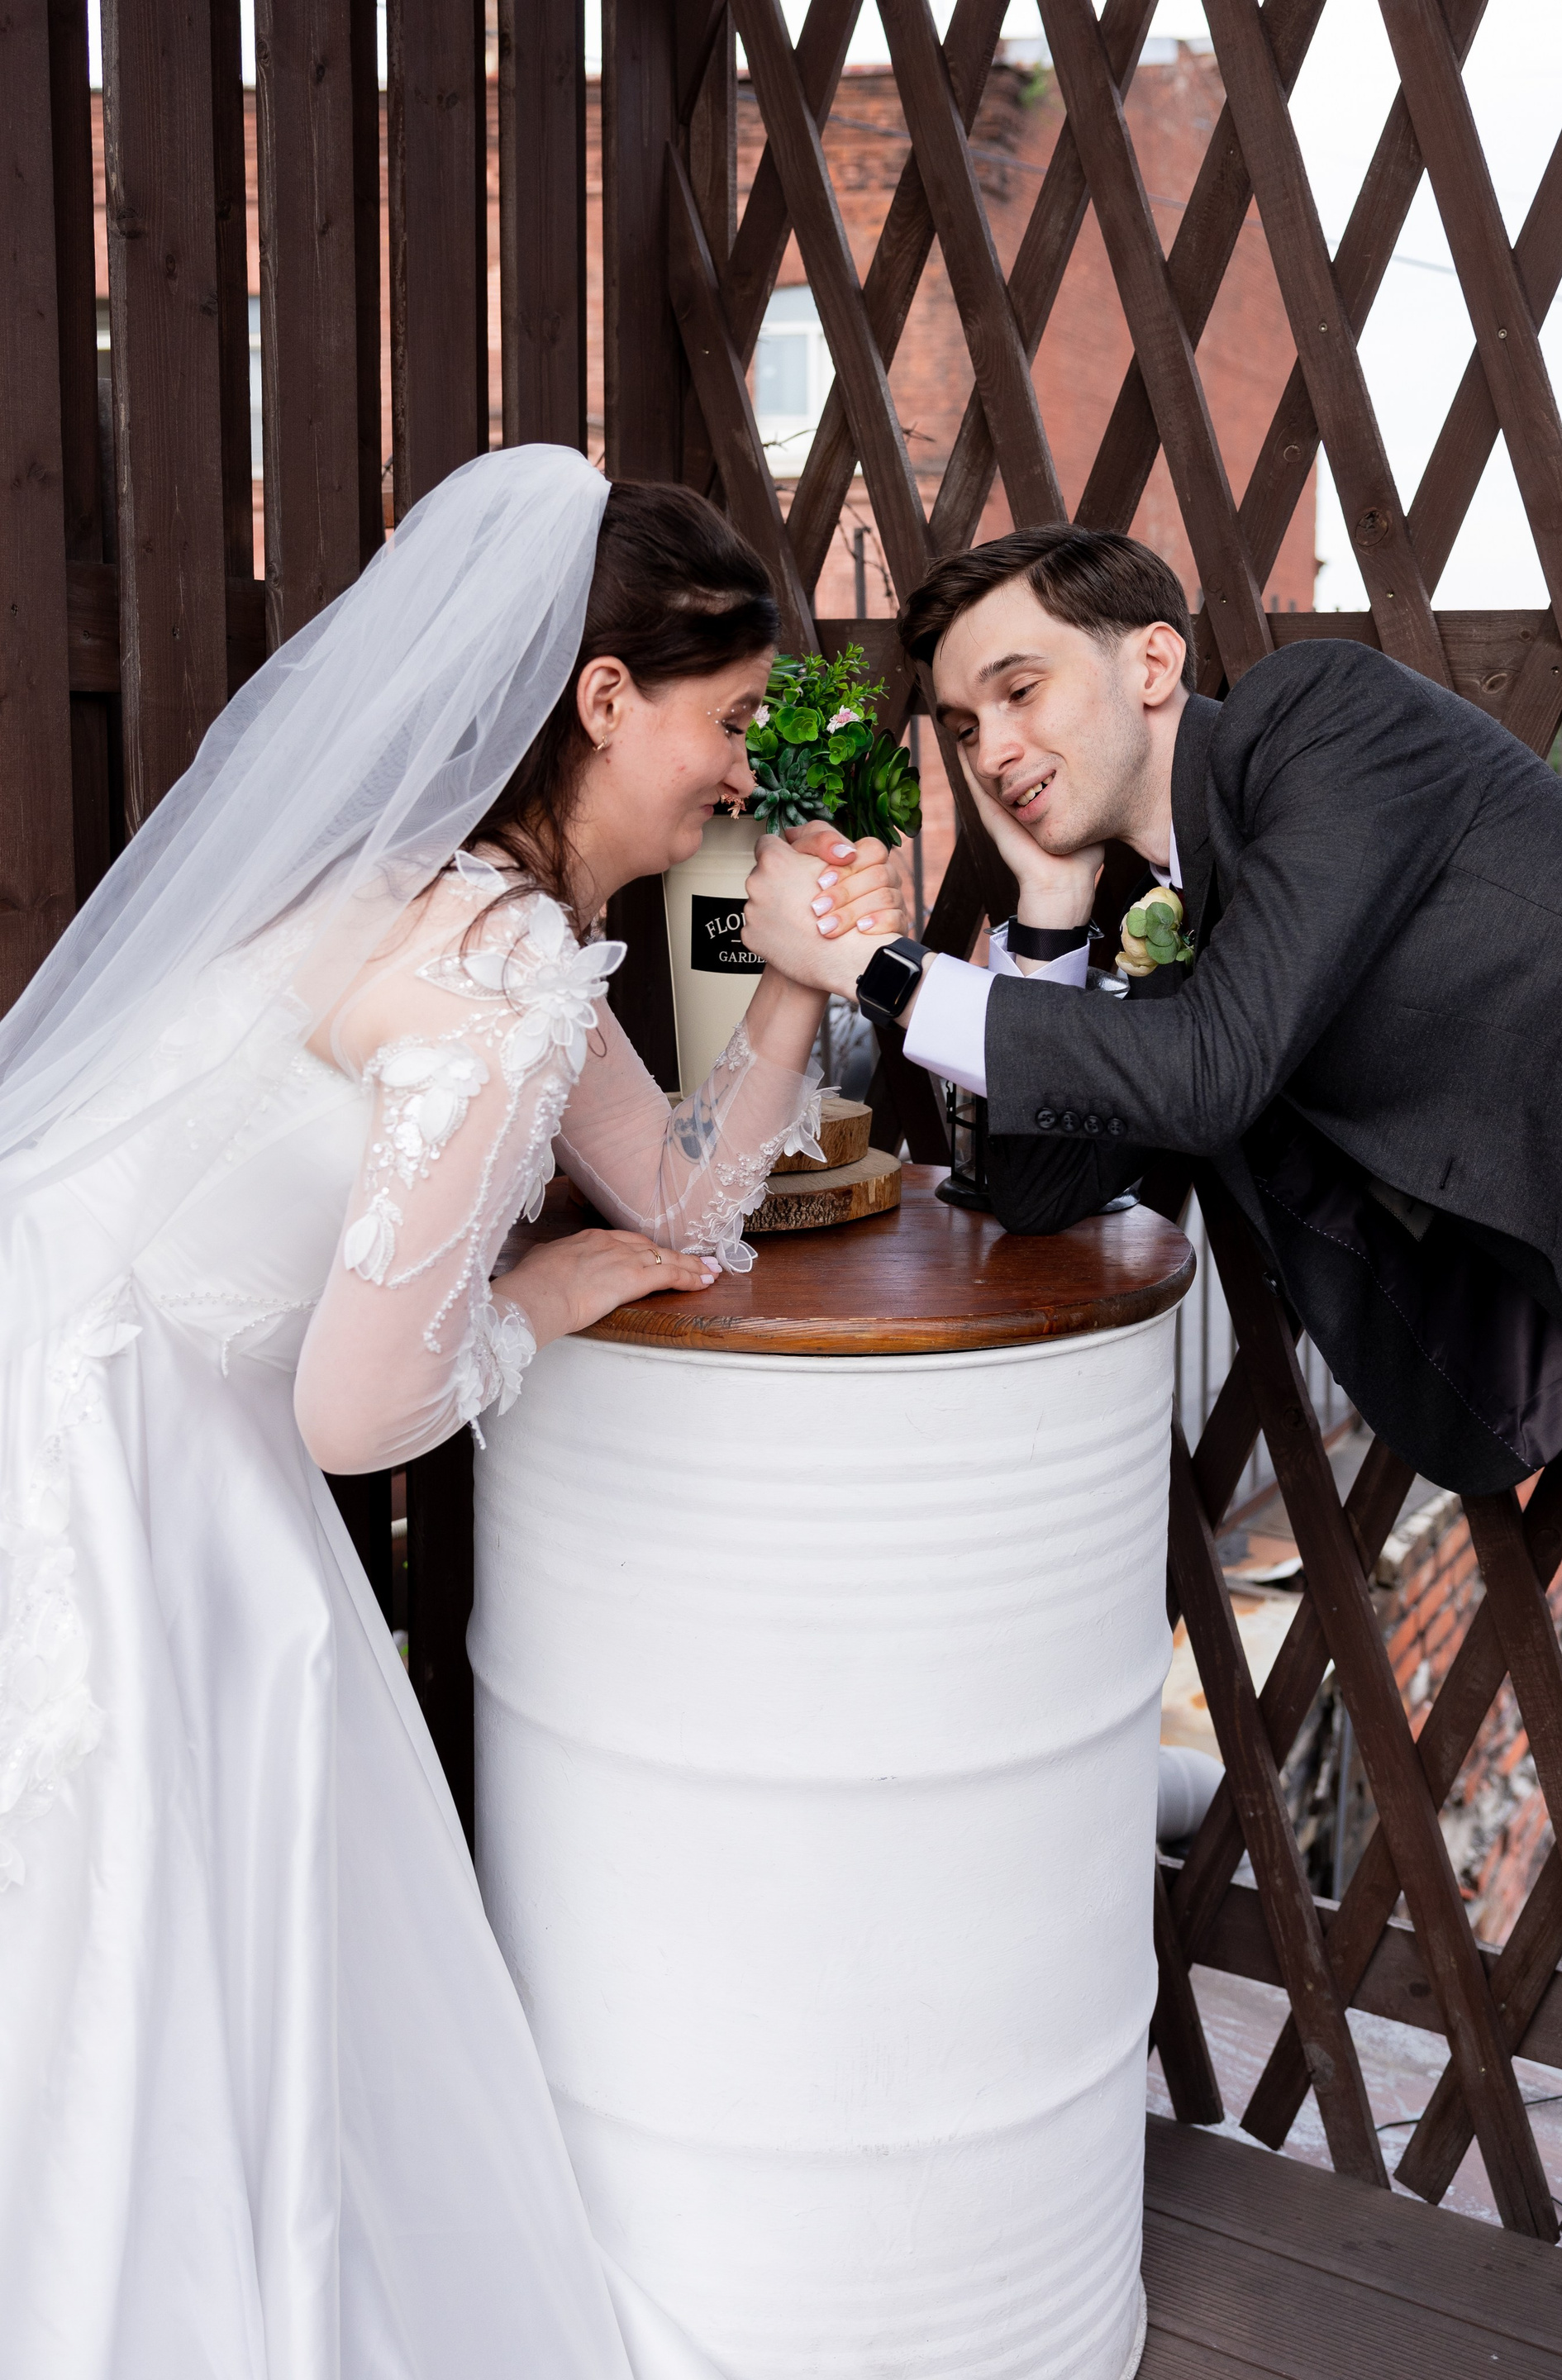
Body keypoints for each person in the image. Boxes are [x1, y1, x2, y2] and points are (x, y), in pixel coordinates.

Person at [0, 445, 902, 2379]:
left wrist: (790, 987)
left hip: (102, 1364)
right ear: (606, 699)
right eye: (733, 718)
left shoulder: (473, 917)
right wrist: (538, 1295)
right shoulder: (494, 987)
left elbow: (680, 1202)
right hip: (111, 1442)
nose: (750, 769)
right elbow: (358, 1418)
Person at [741, 523, 1562, 1497]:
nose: (992, 752)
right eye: (965, 728)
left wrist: (881, 973)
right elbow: (1040, 1196)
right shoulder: (1162, 905)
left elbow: (1207, 1076)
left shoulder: (1321, 713)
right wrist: (1051, 905)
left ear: (1152, 662)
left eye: (1021, 691)